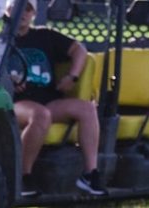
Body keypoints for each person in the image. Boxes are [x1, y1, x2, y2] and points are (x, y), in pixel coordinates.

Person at [7, 0, 105, 197]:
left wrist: (72, 76)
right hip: (14, 102)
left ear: (34, 14)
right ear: (7, 11)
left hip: (47, 100)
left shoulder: (45, 36)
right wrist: (9, 81)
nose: (23, 13)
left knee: (87, 108)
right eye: (17, 8)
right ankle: (22, 176)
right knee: (40, 114)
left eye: (28, 9)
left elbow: (79, 49)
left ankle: (89, 174)